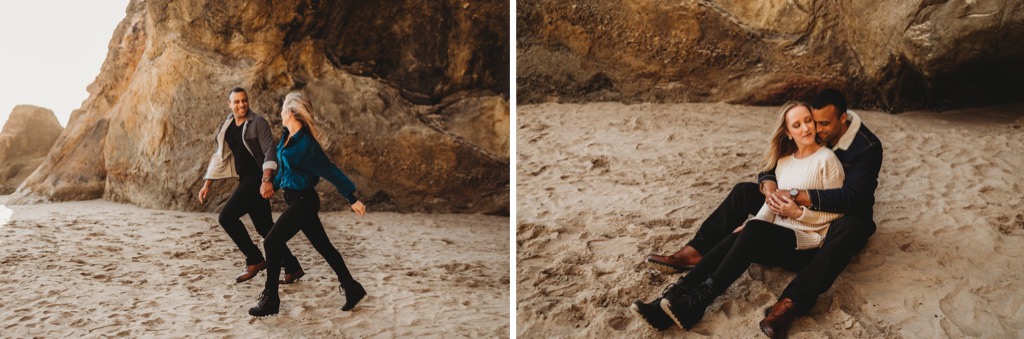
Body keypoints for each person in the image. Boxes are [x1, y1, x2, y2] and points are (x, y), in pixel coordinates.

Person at [640, 89, 883, 336]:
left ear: (842, 119)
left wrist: (795, 202)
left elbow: (851, 198)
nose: (814, 129)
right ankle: (690, 263)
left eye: (820, 124)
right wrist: (769, 187)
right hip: (792, 213)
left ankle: (789, 302)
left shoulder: (865, 147)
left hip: (844, 217)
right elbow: (779, 167)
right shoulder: (798, 149)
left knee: (848, 228)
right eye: (808, 121)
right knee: (744, 196)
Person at [248, 91, 369, 317]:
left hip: (304, 202)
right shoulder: (286, 136)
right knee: (324, 247)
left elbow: (330, 170)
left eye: (284, 109)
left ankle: (271, 299)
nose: (281, 113)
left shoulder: (307, 146)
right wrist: (273, 184)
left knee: (272, 242)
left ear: (292, 112)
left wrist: (352, 199)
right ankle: (352, 287)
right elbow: (285, 169)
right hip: (295, 199)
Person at [199, 87, 305, 284]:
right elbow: (220, 157)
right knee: (265, 227)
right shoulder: (228, 125)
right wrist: (207, 184)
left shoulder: (258, 123)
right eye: (237, 102)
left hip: (256, 179)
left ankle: (255, 260)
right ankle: (292, 266)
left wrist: (266, 181)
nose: (242, 105)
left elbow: (269, 152)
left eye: (244, 100)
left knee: (226, 217)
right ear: (229, 104)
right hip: (246, 179)